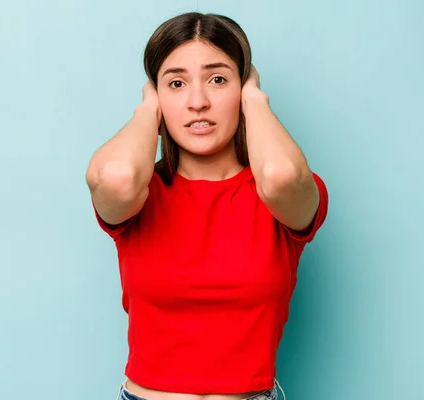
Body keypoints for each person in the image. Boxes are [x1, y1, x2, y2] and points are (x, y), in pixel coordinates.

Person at [86, 11, 329, 400]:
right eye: (177, 83)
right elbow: (115, 178)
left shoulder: (284, 194)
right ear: (157, 95)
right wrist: (148, 109)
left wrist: (255, 99)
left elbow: (281, 175)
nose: (198, 102)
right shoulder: (140, 195)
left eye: (218, 79)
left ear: (242, 88)